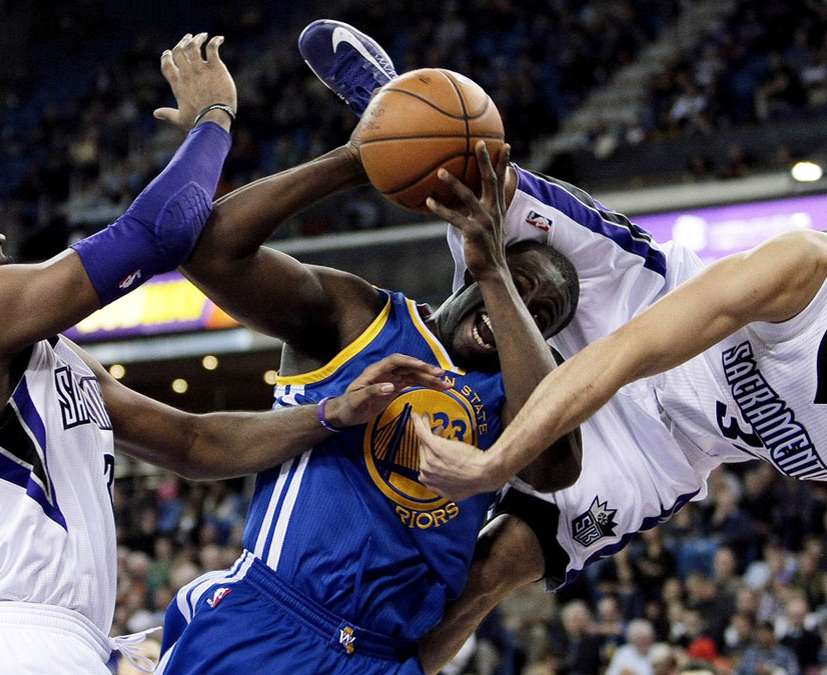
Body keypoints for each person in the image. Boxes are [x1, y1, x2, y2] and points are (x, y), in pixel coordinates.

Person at [300, 20, 827, 674]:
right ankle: (394, 112)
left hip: (660, 454)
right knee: (477, 182)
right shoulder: (806, 270)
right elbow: (630, 350)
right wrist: (496, 463)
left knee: (488, 576)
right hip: (639, 306)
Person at [0, 33, 447, 674]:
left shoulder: (45, 355)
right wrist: (215, 116)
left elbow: (195, 446)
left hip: (57, 641)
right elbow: (153, 234)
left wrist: (331, 413)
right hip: (12, 642)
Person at [152, 133, 582, 671]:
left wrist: (500, 275)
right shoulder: (359, 317)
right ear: (469, 266)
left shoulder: (523, 399)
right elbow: (210, 252)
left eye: (539, 315)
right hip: (274, 619)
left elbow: (555, 470)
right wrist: (355, 160)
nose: (520, 306)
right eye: (519, 284)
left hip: (382, 657)